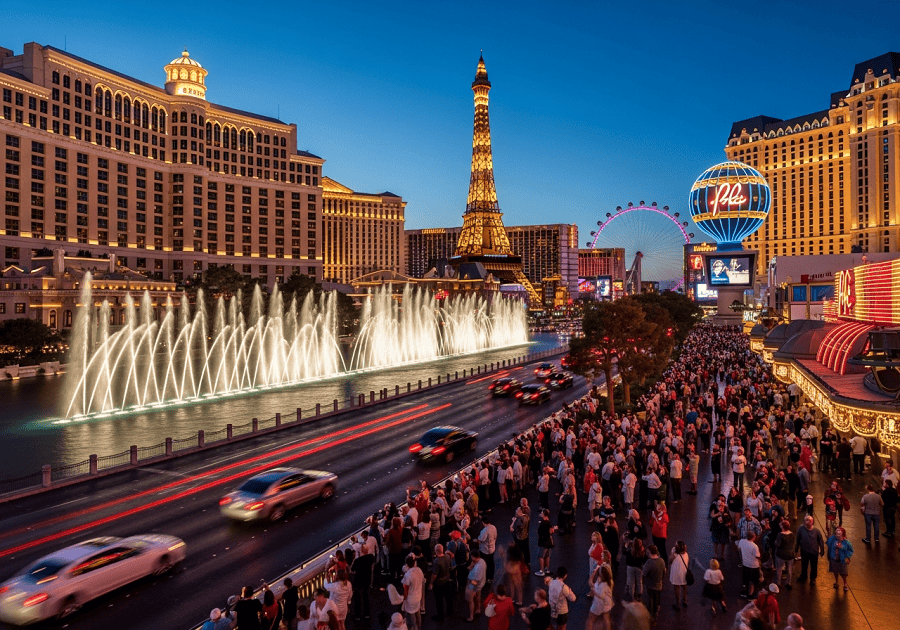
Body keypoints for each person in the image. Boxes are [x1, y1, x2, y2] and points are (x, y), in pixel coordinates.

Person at [795, 515, 825, 585]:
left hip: (814, 552)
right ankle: (803, 576)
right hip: (804, 550)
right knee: (804, 564)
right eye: (806, 520)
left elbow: (820, 541)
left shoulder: (816, 531)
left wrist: (822, 550)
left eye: (809, 521)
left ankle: (813, 578)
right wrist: (796, 549)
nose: (807, 522)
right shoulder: (801, 528)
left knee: (814, 566)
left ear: (812, 522)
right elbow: (797, 539)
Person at [826, 526, 854, 591]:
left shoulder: (846, 542)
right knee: (835, 572)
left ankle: (845, 584)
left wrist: (846, 555)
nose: (837, 534)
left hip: (842, 560)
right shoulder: (833, 539)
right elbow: (828, 543)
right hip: (834, 559)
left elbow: (851, 551)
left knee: (843, 573)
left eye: (839, 532)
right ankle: (836, 582)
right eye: (836, 532)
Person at [430, 544, 453, 622]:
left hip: (439, 584)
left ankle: (440, 616)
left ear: (436, 551)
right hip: (446, 581)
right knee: (448, 597)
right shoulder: (447, 557)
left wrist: (431, 583)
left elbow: (434, 574)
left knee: (439, 601)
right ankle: (450, 611)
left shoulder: (437, 561)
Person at [587, 564, 614, 630]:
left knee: (590, 620)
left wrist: (594, 591)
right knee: (606, 619)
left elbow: (601, 595)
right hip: (607, 604)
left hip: (598, 604)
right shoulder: (610, 582)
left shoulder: (602, 584)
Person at [642, 545, 666, 618]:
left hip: (650, 585)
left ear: (649, 552)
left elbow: (644, 573)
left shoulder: (649, 562)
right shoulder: (661, 561)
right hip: (659, 585)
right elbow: (664, 572)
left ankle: (651, 613)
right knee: (657, 598)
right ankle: (656, 611)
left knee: (650, 599)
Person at [401, 555, 425, 630]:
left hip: (411, 600)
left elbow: (405, 589)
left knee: (412, 620)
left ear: (407, 564)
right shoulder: (419, 570)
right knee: (418, 614)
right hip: (418, 597)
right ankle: (419, 627)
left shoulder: (408, 575)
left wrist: (404, 598)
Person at [735, 531, 761, 599]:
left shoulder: (742, 541)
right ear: (753, 537)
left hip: (745, 564)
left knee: (746, 579)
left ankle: (744, 591)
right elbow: (757, 556)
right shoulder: (754, 546)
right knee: (752, 581)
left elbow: (738, 549)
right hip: (753, 565)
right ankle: (750, 595)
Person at [465, 549, 487, 623]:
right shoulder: (482, 561)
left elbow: (476, 581)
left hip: (474, 586)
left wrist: (469, 583)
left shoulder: (478, 568)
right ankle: (478, 609)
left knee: (470, 600)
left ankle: (471, 616)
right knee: (478, 597)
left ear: (473, 557)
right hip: (480, 586)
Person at [773, 519, 796, 589]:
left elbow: (778, 544)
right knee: (789, 569)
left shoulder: (780, 535)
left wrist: (775, 542)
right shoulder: (792, 534)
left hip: (781, 555)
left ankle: (778, 582)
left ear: (782, 527)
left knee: (779, 569)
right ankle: (788, 582)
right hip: (790, 554)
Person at [668, 541, 689, 610]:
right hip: (684, 573)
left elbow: (670, 561)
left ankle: (678, 604)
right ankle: (685, 600)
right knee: (684, 587)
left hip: (676, 574)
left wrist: (672, 552)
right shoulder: (686, 554)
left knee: (677, 588)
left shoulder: (674, 555)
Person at [709, 496, 732, 561]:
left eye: (722, 502)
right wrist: (718, 514)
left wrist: (729, 523)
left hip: (723, 528)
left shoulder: (725, 509)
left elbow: (729, 517)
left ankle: (722, 554)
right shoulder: (714, 508)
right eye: (720, 504)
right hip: (716, 527)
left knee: (723, 542)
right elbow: (712, 515)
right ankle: (716, 554)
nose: (721, 505)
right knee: (715, 541)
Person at [623, 537, 646, 602]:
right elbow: (644, 560)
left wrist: (626, 546)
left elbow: (624, 552)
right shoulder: (642, 552)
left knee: (631, 582)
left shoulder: (630, 551)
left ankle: (631, 596)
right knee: (639, 581)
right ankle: (639, 595)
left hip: (630, 567)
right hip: (639, 568)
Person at [536, 508, 557, 576]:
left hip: (543, 542)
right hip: (549, 542)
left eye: (542, 513)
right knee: (547, 556)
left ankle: (541, 571)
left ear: (544, 514)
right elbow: (551, 531)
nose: (541, 514)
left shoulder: (543, 523)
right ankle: (547, 569)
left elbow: (540, 532)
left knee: (541, 556)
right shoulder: (549, 523)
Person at [479, 516, 498, 583]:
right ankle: (491, 577)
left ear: (483, 523)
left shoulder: (485, 530)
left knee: (486, 564)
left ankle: (486, 578)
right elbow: (495, 536)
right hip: (492, 548)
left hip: (486, 550)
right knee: (491, 563)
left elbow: (482, 539)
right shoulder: (493, 527)